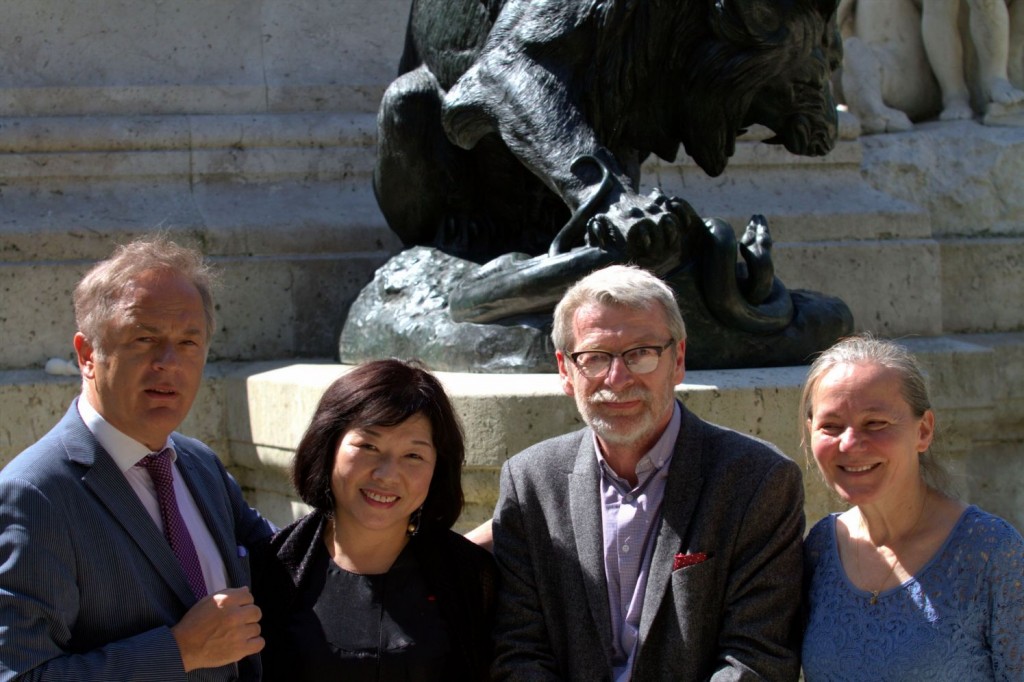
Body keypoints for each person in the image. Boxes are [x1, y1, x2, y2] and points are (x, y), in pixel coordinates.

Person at [491, 264, 806, 681]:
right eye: (595, 357)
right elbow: (517, 652)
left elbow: (756, 660)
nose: (617, 379)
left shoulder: (758, 481)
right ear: (566, 371)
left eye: (641, 353)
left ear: (678, 360)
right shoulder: (530, 481)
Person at [0, 237, 275, 680]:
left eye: (189, 342)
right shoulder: (33, 495)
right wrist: (179, 652)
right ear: (88, 355)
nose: (169, 363)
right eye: (145, 338)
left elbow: (285, 562)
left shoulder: (198, 464)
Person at [251, 359, 497, 681]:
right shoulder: (269, 571)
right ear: (329, 447)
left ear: (438, 467)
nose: (386, 475)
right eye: (368, 446)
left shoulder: (470, 576)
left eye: (413, 455)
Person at [800, 335, 1024, 681]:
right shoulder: (820, 549)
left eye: (875, 423)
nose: (849, 443)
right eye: (830, 426)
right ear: (810, 431)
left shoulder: (991, 553)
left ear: (923, 430)